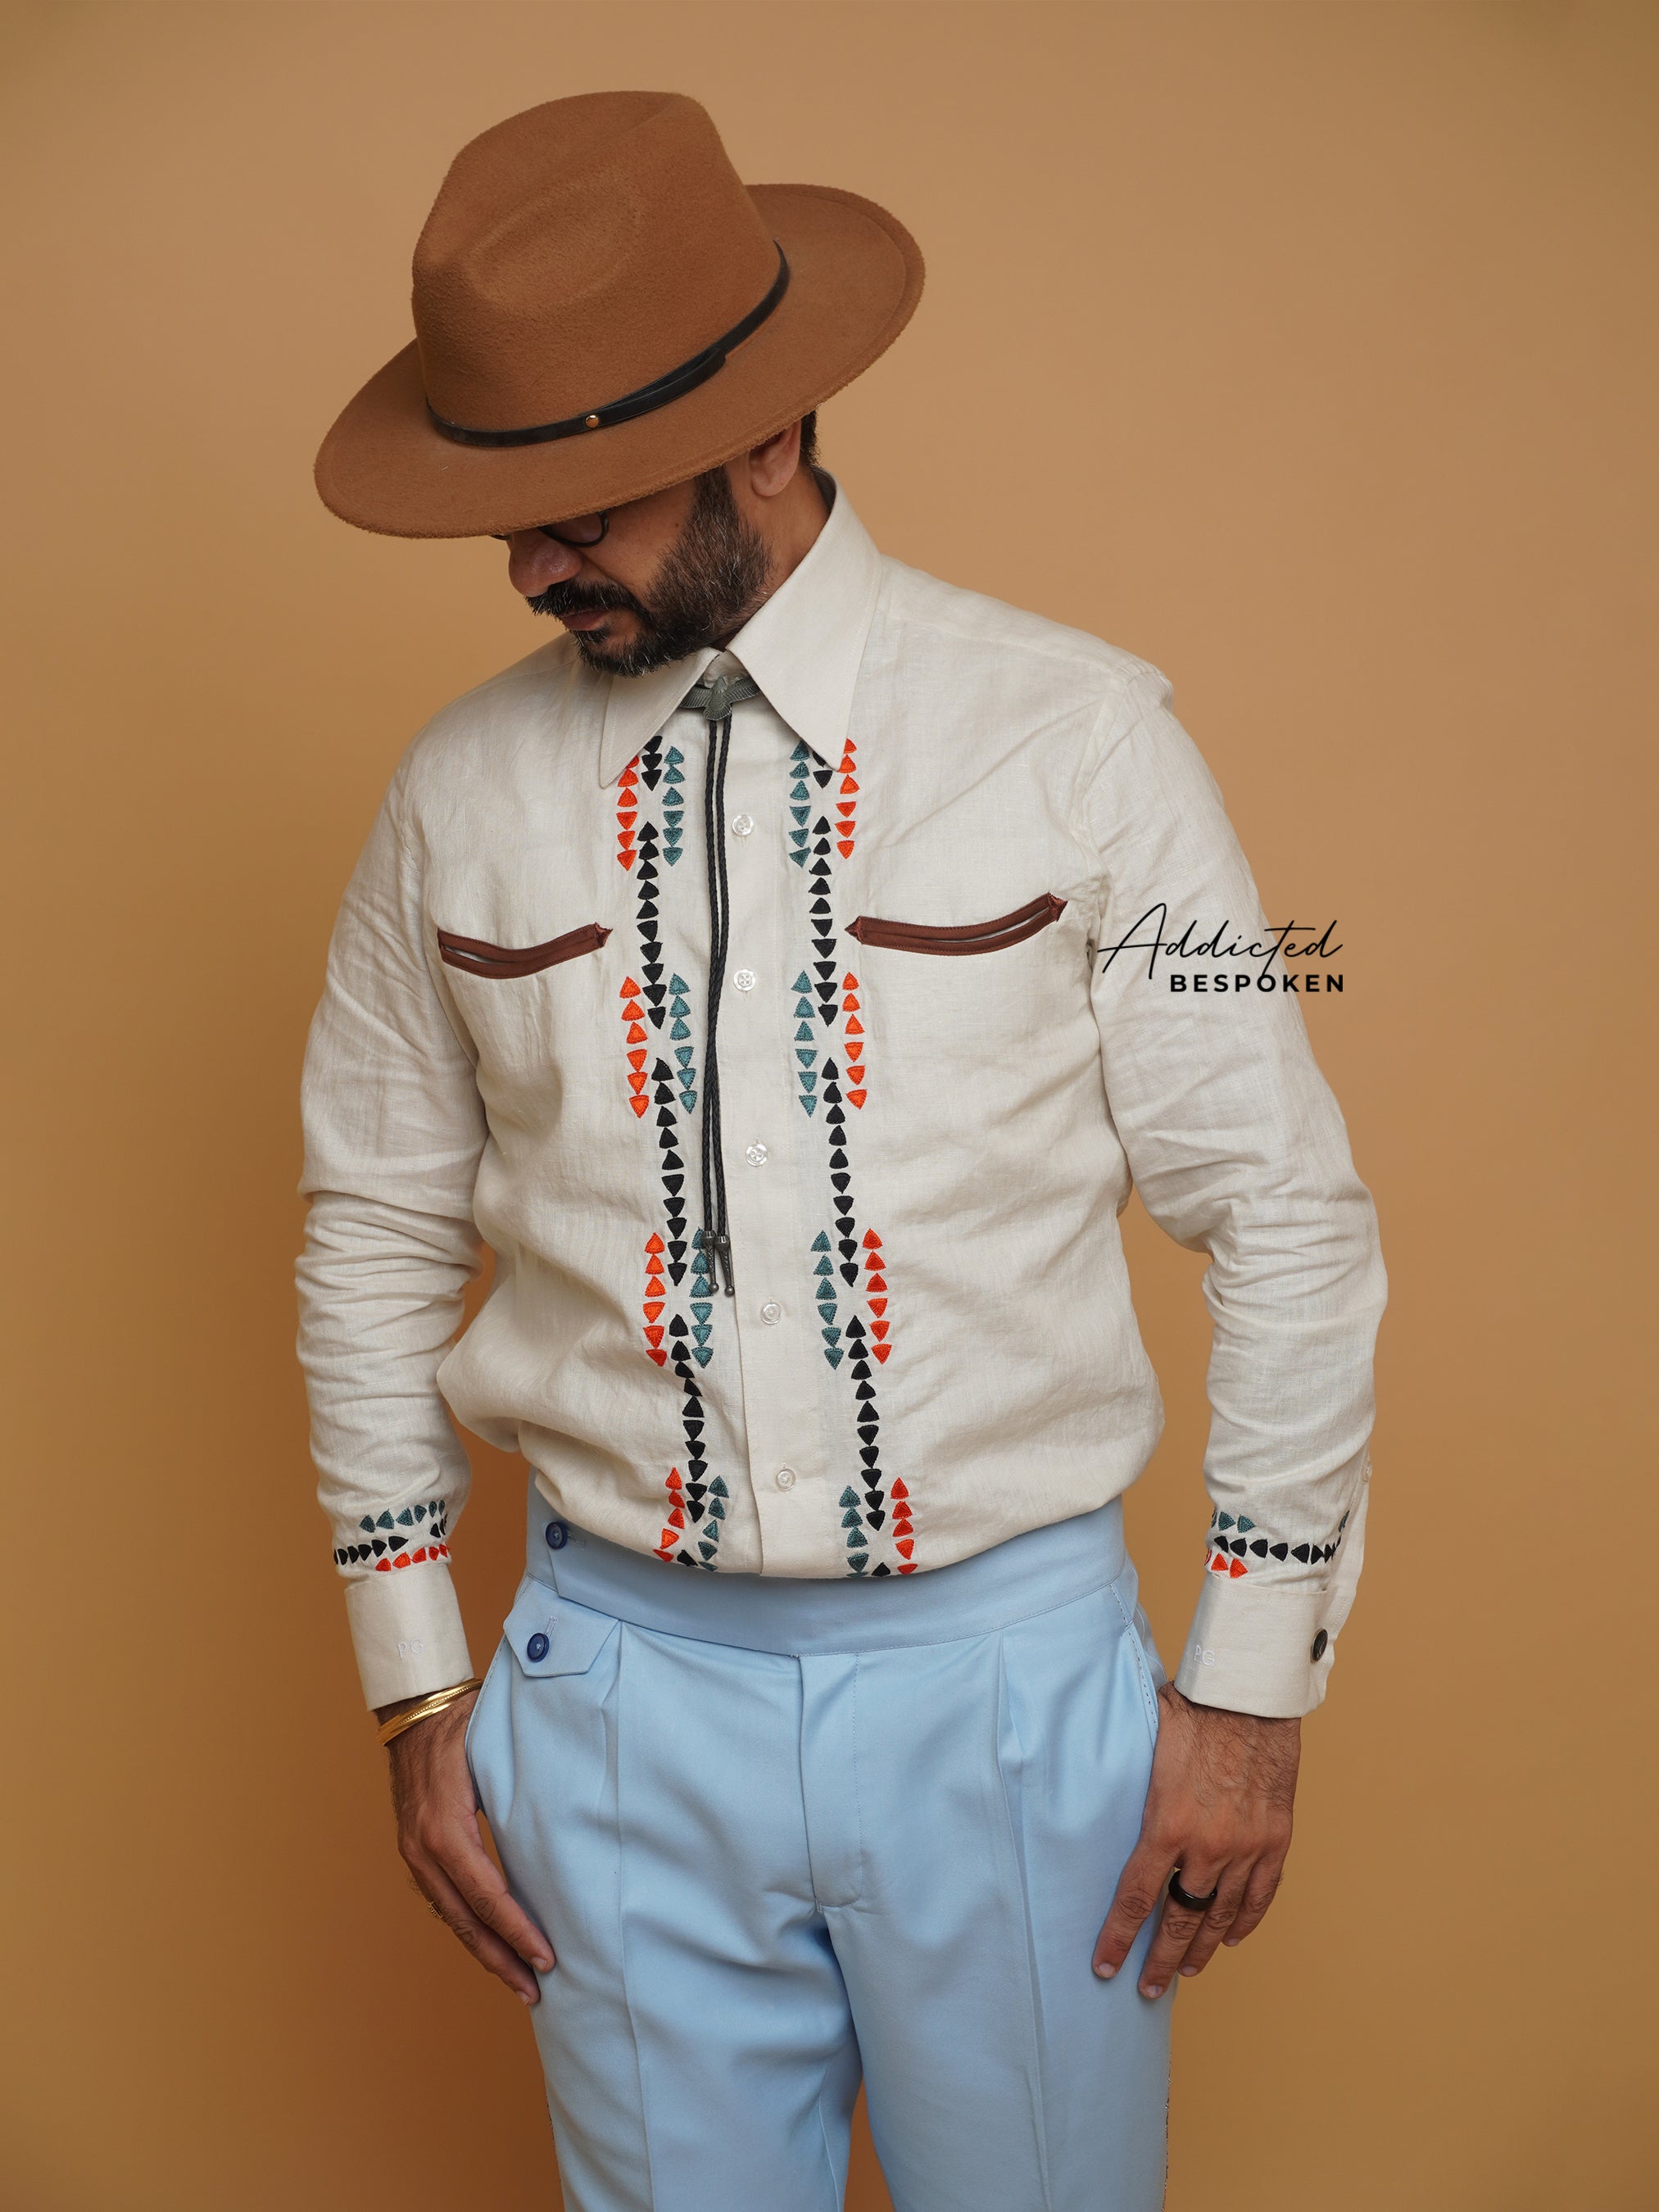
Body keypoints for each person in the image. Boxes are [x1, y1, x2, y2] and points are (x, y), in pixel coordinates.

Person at [298, 89, 1385, 2212]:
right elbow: (367, 1231)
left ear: (767, 440)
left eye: (578, 506)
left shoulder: (1079, 741)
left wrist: (1246, 1691)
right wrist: (416, 1675)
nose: (527, 567)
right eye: (502, 516)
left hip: (1008, 1683)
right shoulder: (451, 792)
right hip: (602, 1695)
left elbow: (1282, 1219)